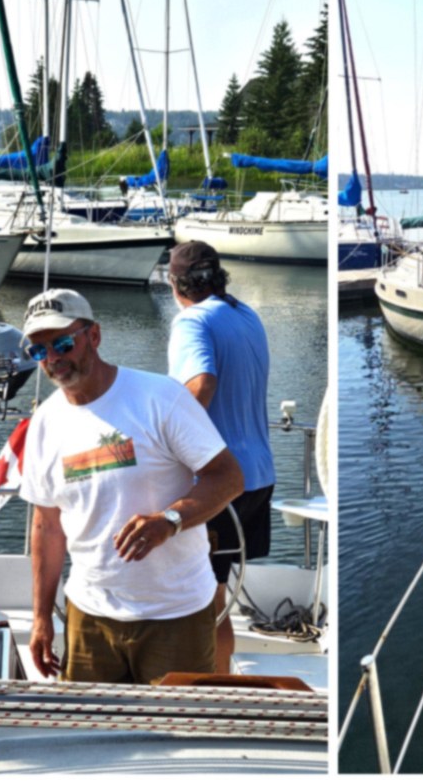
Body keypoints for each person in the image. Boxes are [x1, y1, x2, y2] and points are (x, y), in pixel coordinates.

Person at [18, 288, 244, 684]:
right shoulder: (44, 422)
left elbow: (228, 477)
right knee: (90, 723)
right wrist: (41, 618)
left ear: (94, 336)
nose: (52, 358)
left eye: (63, 343)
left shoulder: (160, 397)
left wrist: (170, 521)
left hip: (176, 612)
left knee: (178, 723)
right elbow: (46, 525)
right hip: (88, 613)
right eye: (39, 351)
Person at [167, 242, 276, 675]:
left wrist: (164, 443)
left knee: (204, 599)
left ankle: (213, 685)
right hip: (258, 476)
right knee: (214, 591)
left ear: (175, 284)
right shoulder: (247, 315)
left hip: (218, 484)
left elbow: (201, 383)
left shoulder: (191, 320)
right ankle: (220, 679)